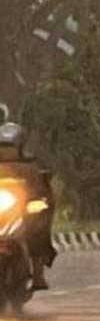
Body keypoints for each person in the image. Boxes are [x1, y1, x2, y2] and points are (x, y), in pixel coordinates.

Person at [0, 122, 55, 290]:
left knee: (39, 233)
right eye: (4, 146)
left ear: (20, 145)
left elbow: (43, 188)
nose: (8, 150)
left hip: (23, 208)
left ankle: (38, 274)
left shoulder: (33, 164)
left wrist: (40, 200)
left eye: (11, 146)